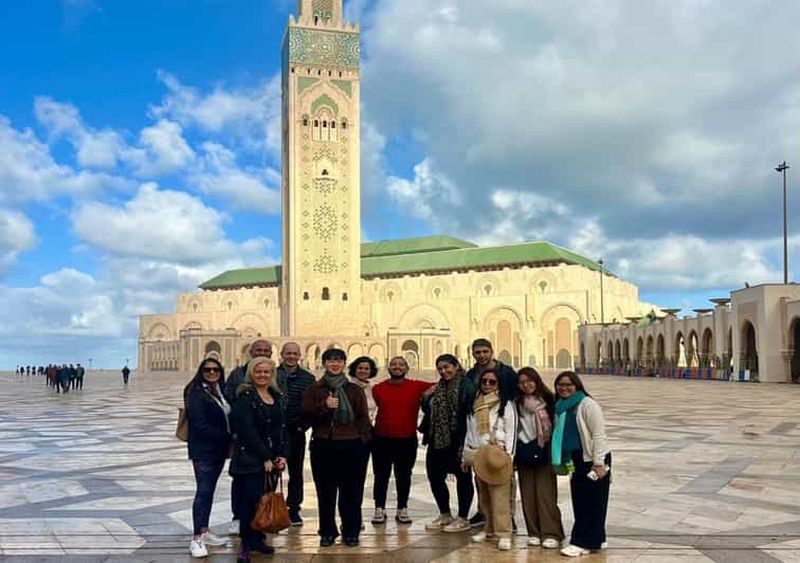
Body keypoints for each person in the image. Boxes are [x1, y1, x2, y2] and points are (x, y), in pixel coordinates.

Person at [301, 348, 370, 547]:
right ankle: (327, 531)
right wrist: (325, 406)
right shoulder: (315, 389)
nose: (335, 364)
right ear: (324, 363)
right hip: (324, 444)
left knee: (352, 491)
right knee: (326, 492)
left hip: (351, 444)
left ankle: (351, 531)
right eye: (330, 361)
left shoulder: (354, 389)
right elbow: (305, 414)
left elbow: (363, 418)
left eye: (339, 361)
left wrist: (363, 443)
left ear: (344, 364)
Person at [229, 357, 287, 562]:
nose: (262, 375)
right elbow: (247, 432)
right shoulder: (245, 398)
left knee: (263, 501)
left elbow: (281, 429)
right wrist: (265, 457)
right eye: (258, 372)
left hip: (271, 460)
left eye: (266, 372)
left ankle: (257, 539)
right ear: (251, 374)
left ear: (272, 374)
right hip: (250, 460)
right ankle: (245, 545)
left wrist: (282, 455)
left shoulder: (275, 396)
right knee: (249, 503)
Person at [551, 371, 611, 557]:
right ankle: (597, 538)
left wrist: (598, 463)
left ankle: (582, 542)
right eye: (560, 384)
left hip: (593, 458)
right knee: (582, 500)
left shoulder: (587, 404)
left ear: (577, 386)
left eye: (568, 384)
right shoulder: (560, 406)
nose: (564, 388)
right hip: (576, 458)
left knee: (591, 501)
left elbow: (598, 435)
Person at [370, 356, 433, 525]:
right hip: (382, 438)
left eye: (401, 364)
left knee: (404, 475)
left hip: (406, 439)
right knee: (380, 475)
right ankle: (379, 508)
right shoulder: (378, 388)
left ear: (406, 368)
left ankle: (402, 507)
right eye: (394, 364)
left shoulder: (417, 386)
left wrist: (427, 396)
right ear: (388, 367)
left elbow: (439, 385)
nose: (397, 367)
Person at [464, 338, 518, 528]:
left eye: (485, 351)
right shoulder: (471, 374)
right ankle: (484, 513)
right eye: (477, 352)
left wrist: (510, 453)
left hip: (499, 431)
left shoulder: (506, 372)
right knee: (481, 476)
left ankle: (507, 517)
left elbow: (515, 397)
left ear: (492, 351)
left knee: (505, 479)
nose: (481, 356)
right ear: (472, 354)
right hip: (480, 434)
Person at [421, 354, 475, 533]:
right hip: (437, 439)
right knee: (435, 476)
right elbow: (428, 410)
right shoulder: (438, 387)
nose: (443, 371)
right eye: (440, 368)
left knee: (463, 478)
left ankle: (463, 517)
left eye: (447, 367)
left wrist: (465, 443)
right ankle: (445, 514)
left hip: (458, 440)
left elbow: (470, 415)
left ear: (456, 366)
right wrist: (426, 397)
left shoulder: (467, 386)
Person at [223, 338, 272, 534]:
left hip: (268, 439)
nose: (262, 353)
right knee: (242, 481)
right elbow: (228, 399)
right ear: (250, 352)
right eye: (258, 350)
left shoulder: (275, 375)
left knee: (266, 481)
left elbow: (281, 403)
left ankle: (263, 518)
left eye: (265, 350)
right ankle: (240, 519)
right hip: (245, 439)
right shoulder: (238, 375)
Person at [185, 358, 232, 559]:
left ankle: (204, 531)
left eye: (216, 370)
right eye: (207, 370)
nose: (212, 373)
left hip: (218, 449)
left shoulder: (220, 391)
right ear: (201, 371)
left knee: (209, 490)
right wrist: (227, 437)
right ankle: (196, 538)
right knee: (203, 491)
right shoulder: (196, 392)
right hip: (203, 450)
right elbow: (198, 424)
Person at [515, 367, 564, 549]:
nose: (526, 385)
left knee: (545, 494)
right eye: (521, 382)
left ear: (536, 381)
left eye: (529, 381)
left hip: (545, 450)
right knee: (527, 493)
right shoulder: (515, 403)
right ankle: (534, 532)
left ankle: (551, 533)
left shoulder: (549, 401)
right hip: (524, 450)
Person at [275, 342, 316, 526]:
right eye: (288, 353)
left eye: (294, 353)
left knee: (296, 472)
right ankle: (266, 509)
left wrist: (302, 427)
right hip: (274, 431)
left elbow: (312, 405)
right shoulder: (271, 374)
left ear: (300, 355)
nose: (291, 356)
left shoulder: (308, 378)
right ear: (281, 354)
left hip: (295, 432)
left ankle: (294, 509)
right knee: (270, 471)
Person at [347, 356, 378, 523]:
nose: (363, 371)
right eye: (360, 368)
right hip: (350, 436)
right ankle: (350, 518)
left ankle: (355, 517)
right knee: (349, 479)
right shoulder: (346, 387)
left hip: (366, 436)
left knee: (359, 478)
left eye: (366, 369)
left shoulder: (373, 389)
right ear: (354, 369)